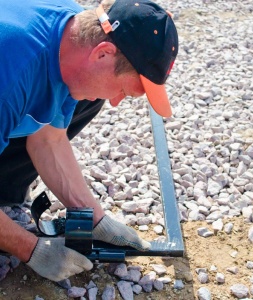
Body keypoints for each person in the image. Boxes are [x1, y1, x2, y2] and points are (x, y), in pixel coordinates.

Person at [0, 0, 178, 282]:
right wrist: (31, 249)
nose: (118, 101)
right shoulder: (11, 76)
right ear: (103, 53)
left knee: (88, 98)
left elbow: (48, 139)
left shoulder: (74, 34)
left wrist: (96, 219)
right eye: (123, 89)